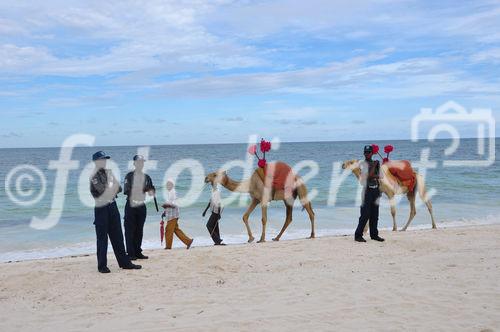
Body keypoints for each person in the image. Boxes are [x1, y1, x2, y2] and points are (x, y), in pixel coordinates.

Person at [89, 151, 141, 273]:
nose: (104, 161)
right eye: (102, 159)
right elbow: (102, 191)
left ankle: (125, 263)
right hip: (101, 208)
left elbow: (120, 188)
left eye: (105, 159)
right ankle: (102, 266)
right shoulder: (94, 176)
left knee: (118, 236)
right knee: (102, 238)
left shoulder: (109, 172)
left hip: (113, 206)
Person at [123, 155, 155, 260]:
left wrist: (151, 189)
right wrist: (142, 189)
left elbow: (151, 193)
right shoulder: (129, 176)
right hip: (131, 205)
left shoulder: (147, 177)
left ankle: (138, 252)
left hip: (141, 205)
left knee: (139, 230)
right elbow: (127, 191)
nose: (140, 164)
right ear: (134, 163)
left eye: (142, 162)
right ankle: (130, 253)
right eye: (138, 162)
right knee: (129, 230)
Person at [354, 145, 385, 243]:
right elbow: (368, 176)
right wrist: (374, 167)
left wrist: (376, 168)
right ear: (364, 153)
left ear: (372, 153)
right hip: (366, 191)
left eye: (369, 152)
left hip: (375, 190)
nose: (367, 154)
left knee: (375, 215)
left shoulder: (376, 162)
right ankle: (358, 235)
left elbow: (381, 176)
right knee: (365, 214)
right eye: (365, 152)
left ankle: (374, 235)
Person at [162, 179, 193, 250]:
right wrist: (165, 211)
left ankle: (168, 246)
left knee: (168, 230)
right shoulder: (170, 192)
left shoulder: (172, 192)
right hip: (171, 214)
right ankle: (188, 241)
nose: (167, 185)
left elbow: (174, 204)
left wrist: (165, 205)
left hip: (173, 215)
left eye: (169, 184)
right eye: (167, 184)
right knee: (176, 230)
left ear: (172, 185)